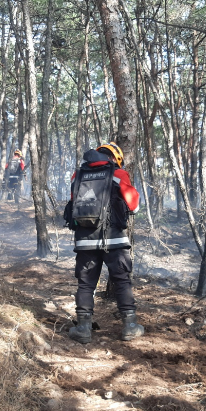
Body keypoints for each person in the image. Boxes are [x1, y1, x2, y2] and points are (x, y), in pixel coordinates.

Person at [64, 142, 144, 343]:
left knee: (86, 284)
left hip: (85, 241)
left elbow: (74, 203)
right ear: (115, 159)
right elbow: (133, 206)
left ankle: (83, 328)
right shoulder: (118, 174)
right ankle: (130, 326)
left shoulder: (78, 175)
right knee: (121, 281)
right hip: (114, 239)